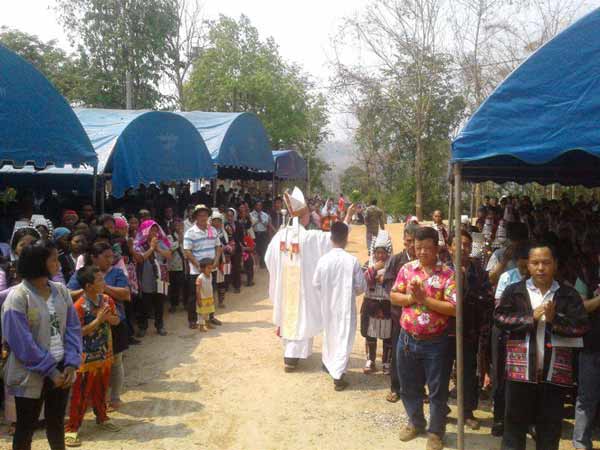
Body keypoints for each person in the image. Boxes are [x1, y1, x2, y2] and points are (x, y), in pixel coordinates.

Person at [494, 243, 589, 450]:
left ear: (555, 264)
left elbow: (581, 326)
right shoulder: (515, 291)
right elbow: (500, 318)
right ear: (527, 265)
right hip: (520, 373)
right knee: (514, 429)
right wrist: (531, 318)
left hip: (554, 376)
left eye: (546, 262)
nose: (540, 268)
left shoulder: (567, 294)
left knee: (549, 431)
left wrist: (555, 321)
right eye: (535, 263)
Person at [2, 240, 82, 450]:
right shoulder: (18, 297)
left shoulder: (61, 291)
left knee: (56, 423)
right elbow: (22, 343)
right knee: (26, 427)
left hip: (62, 367)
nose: (58, 263)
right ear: (39, 263)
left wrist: (71, 362)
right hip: (30, 372)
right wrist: (50, 370)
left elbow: (73, 328)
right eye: (53, 259)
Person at [265, 187, 355, 372]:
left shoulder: (279, 236)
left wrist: (279, 274)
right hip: (301, 290)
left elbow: (268, 259)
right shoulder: (309, 238)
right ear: (303, 215)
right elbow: (334, 239)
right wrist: (348, 217)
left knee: (290, 315)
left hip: (286, 289)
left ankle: (290, 354)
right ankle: (293, 356)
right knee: (301, 317)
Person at [390, 226, 456, 450]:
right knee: (408, 386)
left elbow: (454, 308)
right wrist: (411, 298)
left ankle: (436, 431)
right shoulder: (407, 269)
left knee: (437, 390)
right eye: (418, 248)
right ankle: (416, 422)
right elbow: (394, 295)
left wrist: (425, 299)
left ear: (436, 248)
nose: (422, 252)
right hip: (407, 339)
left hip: (436, 343)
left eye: (427, 248)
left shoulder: (447, 274)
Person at [67, 242, 131, 411]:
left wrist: (102, 287)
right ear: (94, 258)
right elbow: (68, 294)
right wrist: (89, 290)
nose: (110, 260)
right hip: (88, 326)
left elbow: (126, 294)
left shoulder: (116, 272)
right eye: (106, 256)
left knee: (115, 361)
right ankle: (93, 400)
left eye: (111, 256)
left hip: (114, 323)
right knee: (90, 365)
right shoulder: (82, 275)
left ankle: (114, 397)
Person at [65, 266, 121, 447]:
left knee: (101, 388)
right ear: (89, 286)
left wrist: (108, 318)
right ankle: (72, 428)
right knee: (81, 393)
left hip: (104, 353)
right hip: (85, 358)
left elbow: (116, 320)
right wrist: (98, 320)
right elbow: (77, 332)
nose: (104, 282)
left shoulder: (107, 300)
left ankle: (102, 417)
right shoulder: (79, 306)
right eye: (99, 280)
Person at [448, 230, 494, 431]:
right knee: (441, 370)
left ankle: (467, 411)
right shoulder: (443, 270)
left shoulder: (479, 272)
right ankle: (440, 408)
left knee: (468, 371)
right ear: (450, 247)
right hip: (445, 329)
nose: (463, 248)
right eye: (458, 244)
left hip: (471, 329)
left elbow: (487, 298)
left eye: (467, 244)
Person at [313, 222, 365, 391]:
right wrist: (349, 293)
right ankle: (338, 375)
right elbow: (361, 286)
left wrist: (327, 293)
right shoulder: (352, 261)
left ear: (331, 237)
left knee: (330, 335)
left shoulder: (323, 260)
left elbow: (316, 283)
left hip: (328, 305)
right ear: (346, 238)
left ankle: (330, 365)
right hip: (345, 307)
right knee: (344, 338)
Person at [490, 245, 530, 436]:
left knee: (525, 378)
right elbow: (499, 309)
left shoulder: (538, 281)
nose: (525, 268)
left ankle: (525, 420)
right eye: (522, 265)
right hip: (504, 332)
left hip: (527, 333)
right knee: (500, 376)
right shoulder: (507, 277)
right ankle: (499, 418)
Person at [384, 223, 418, 402]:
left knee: (418, 354)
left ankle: (419, 389)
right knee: (398, 352)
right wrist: (404, 296)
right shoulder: (396, 260)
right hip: (399, 315)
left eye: (414, 241)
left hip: (420, 317)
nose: (411, 245)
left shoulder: (424, 263)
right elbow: (387, 284)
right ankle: (395, 388)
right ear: (404, 241)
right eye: (408, 241)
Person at [183, 205, 223, 329]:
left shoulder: (212, 230)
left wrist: (216, 261)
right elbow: (187, 251)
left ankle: (210, 317)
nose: (203, 217)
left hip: (211, 269)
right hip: (197, 270)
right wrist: (198, 265)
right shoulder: (190, 232)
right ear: (196, 217)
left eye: (205, 215)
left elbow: (218, 247)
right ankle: (192, 320)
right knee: (194, 295)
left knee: (210, 292)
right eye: (200, 215)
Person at [361, 231, 394, 375]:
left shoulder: (393, 265)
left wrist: (385, 279)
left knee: (388, 334)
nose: (380, 255)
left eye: (383, 252)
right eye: (378, 252)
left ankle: (387, 362)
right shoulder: (368, 264)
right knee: (371, 333)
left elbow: (397, 281)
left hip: (387, 304)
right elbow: (362, 280)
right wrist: (374, 269)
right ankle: (371, 360)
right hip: (371, 303)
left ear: (388, 252)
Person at [133, 220, 172, 337]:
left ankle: (160, 326)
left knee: (159, 302)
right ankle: (143, 327)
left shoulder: (160, 242)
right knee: (145, 304)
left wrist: (158, 249)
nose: (155, 233)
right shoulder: (139, 244)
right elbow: (140, 259)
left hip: (160, 276)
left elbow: (169, 255)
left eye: (156, 230)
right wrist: (151, 248)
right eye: (152, 230)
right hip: (146, 277)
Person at [573, 286, 600, 450]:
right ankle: (581, 443)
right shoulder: (587, 275)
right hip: (592, 346)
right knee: (587, 398)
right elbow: (579, 307)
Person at [167, 220, 186, 313]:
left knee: (185, 284)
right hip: (174, 265)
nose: (180, 228)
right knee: (174, 286)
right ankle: (173, 305)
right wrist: (179, 241)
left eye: (181, 226)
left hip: (184, 264)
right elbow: (170, 248)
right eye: (177, 226)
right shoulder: (170, 237)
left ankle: (185, 304)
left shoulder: (186, 236)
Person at [196, 258, 217, 332]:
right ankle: (201, 326)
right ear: (202, 269)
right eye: (208, 268)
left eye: (211, 268)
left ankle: (207, 324)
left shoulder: (210, 275)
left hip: (209, 297)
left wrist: (212, 297)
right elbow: (198, 290)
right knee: (201, 313)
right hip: (202, 298)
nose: (210, 270)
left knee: (208, 312)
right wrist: (199, 300)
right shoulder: (200, 278)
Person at [250, 201, 272, 269]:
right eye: (257, 205)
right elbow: (251, 224)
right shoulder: (251, 214)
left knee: (263, 248)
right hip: (255, 233)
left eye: (260, 205)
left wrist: (261, 220)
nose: (258, 207)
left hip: (263, 233)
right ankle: (255, 263)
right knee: (256, 249)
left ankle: (263, 263)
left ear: (262, 206)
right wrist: (257, 220)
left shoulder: (265, 215)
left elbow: (267, 224)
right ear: (255, 206)